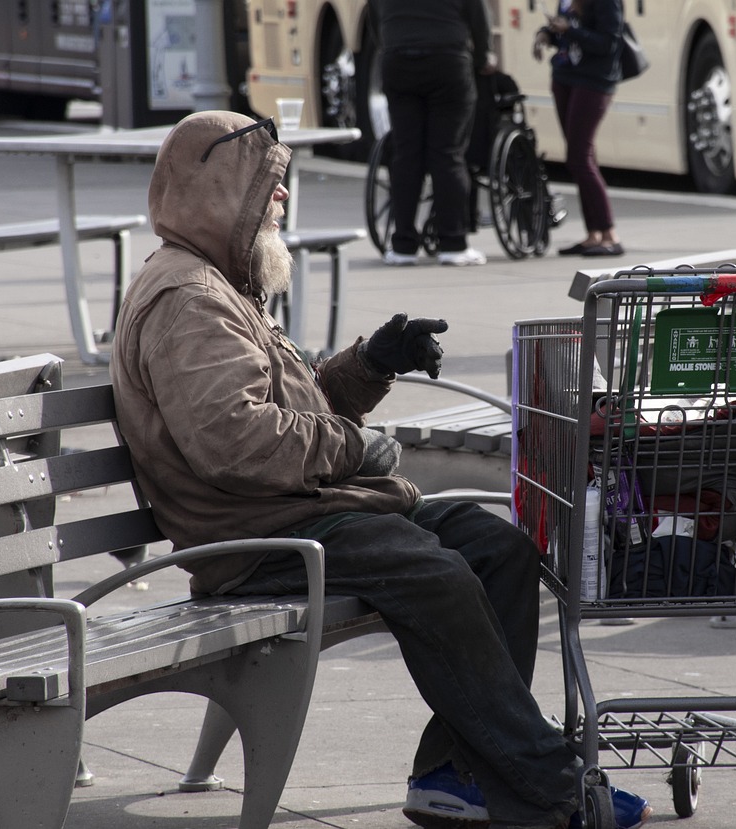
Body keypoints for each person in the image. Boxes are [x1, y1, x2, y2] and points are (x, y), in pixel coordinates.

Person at [110, 111, 651, 829]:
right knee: (434, 571)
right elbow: (236, 444)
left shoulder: (221, 283)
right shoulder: (189, 300)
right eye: (269, 189)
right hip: (252, 535)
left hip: (299, 507)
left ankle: (453, 772)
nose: (281, 202)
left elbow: (288, 410)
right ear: (220, 194)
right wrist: (355, 448)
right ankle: (549, 783)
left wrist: (371, 366)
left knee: (497, 548)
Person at [372, 0, 492, 267]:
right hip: (448, 60)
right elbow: (478, 18)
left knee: (406, 154)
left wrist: (393, 46)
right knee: (448, 154)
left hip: (398, 60)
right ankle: (453, 243)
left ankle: (403, 245)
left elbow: (374, 20)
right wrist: (483, 57)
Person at [534, 0, 626, 258]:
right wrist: (546, 34)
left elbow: (608, 42)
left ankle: (610, 234)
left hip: (594, 81)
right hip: (565, 76)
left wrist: (569, 30)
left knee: (578, 157)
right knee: (582, 158)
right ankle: (593, 233)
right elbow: (566, 29)